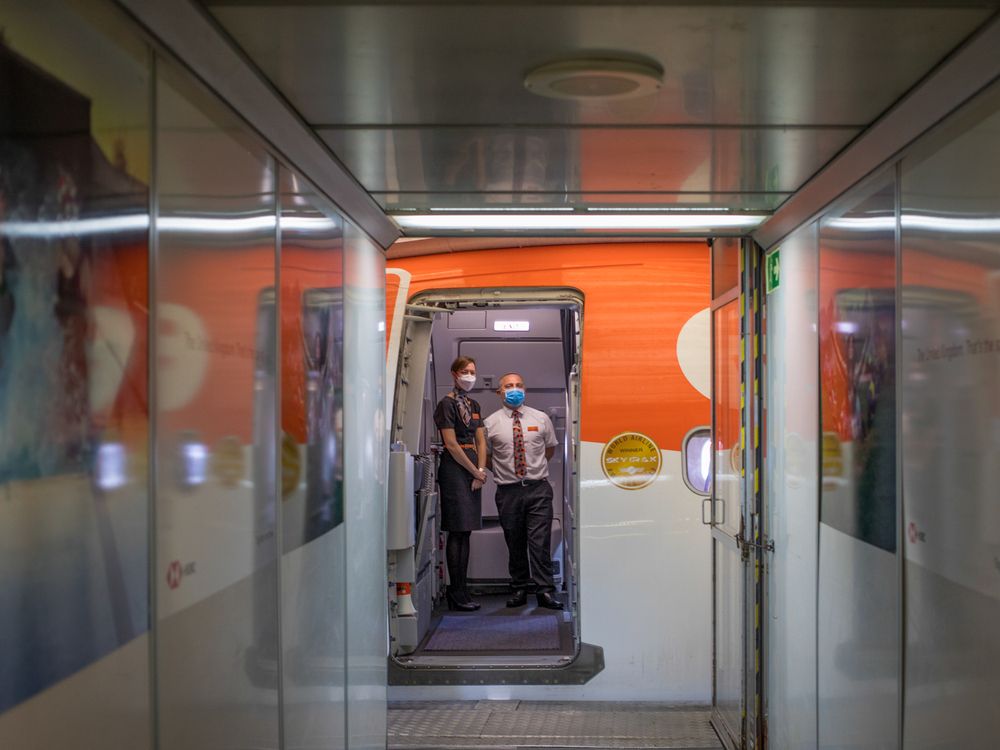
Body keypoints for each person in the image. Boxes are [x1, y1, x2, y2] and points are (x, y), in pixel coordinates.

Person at [483, 372, 562, 610]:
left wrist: (532, 471)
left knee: (539, 542)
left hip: (538, 489)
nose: (514, 389)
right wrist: (507, 473)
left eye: (518, 385)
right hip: (508, 492)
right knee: (515, 542)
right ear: (499, 392)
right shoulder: (490, 423)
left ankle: (545, 592)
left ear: (525, 389)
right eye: (508, 386)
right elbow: (486, 457)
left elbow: (549, 450)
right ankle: (519, 588)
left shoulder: (540, 418)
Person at [433, 356, 488, 611]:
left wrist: (480, 469)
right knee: (457, 531)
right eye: (465, 371)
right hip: (455, 468)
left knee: (466, 532)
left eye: (473, 371)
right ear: (454, 374)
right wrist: (474, 472)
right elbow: (452, 445)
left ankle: (462, 591)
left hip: (472, 468)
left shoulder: (474, 404)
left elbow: (481, 440)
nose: (470, 375)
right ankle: (456, 593)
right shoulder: (446, 404)